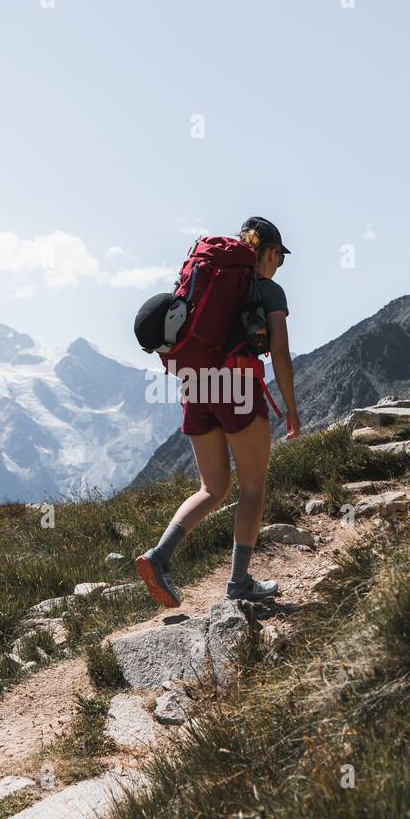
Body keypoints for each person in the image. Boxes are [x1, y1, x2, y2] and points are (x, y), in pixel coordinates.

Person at [135, 216, 301, 607]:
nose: (279, 265)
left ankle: (159, 556)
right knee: (252, 487)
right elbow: (279, 351)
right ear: (270, 252)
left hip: (195, 386)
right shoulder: (267, 290)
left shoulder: (211, 283)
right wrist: (291, 407)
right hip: (237, 386)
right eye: (280, 257)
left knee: (212, 488)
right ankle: (239, 582)